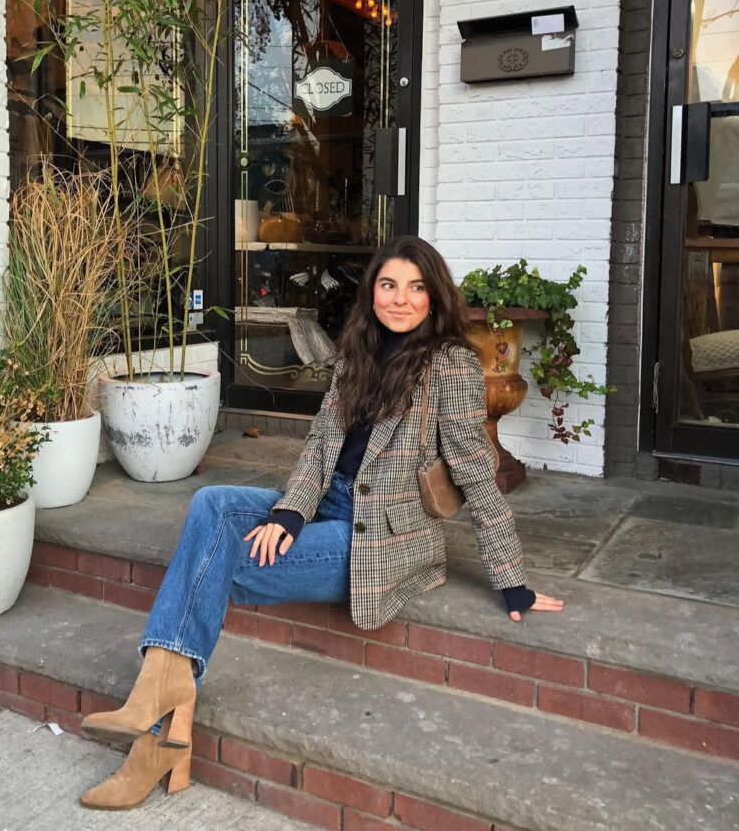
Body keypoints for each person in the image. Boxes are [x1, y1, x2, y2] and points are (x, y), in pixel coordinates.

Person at [78, 235, 563, 809]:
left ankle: (158, 727)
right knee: (211, 508)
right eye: (388, 285)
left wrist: (512, 579)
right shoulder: (356, 351)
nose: (400, 299)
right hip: (327, 504)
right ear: (372, 291)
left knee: (207, 561)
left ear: (434, 297)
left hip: (380, 534)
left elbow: (476, 472)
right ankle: (166, 705)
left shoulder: (449, 364)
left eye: (415, 288)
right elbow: (319, 448)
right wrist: (288, 512)